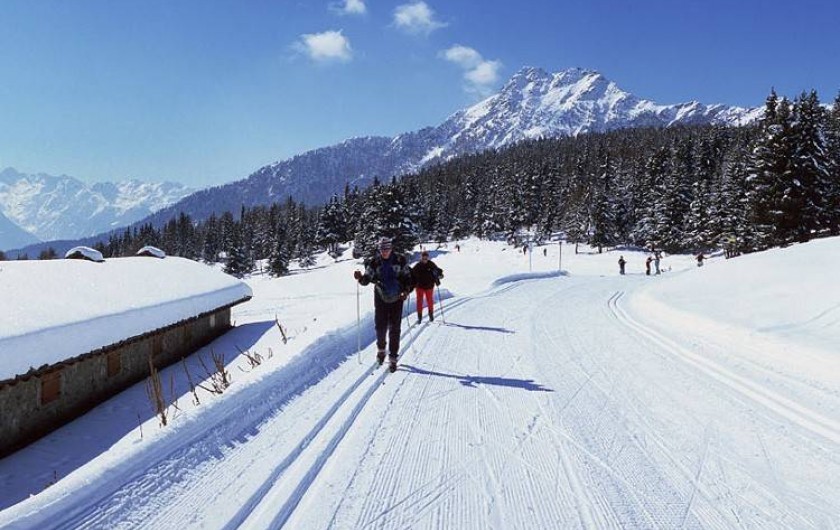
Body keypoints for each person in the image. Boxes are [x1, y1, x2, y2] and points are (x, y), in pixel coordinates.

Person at [354, 237, 415, 372]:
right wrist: (360, 278)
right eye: (382, 249)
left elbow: (408, 278)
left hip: (397, 298)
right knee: (380, 327)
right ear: (379, 249)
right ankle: (381, 350)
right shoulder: (374, 262)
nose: (385, 252)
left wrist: (406, 291)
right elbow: (367, 280)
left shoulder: (400, 260)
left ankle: (393, 358)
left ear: (391, 248)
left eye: (387, 249)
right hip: (380, 299)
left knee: (395, 329)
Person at [411, 250, 444, 324]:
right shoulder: (418, 265)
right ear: (421, 258)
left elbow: (438, 271)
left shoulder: (431, 264)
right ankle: (419, 317)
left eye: (426, 258)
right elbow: (412, 273)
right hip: (419, 286)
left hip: (429, 286)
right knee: (419, 302)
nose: (425, 259)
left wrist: (440, 275)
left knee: (430, 301)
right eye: (423, 258)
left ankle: (431, 315)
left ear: (428, 258)